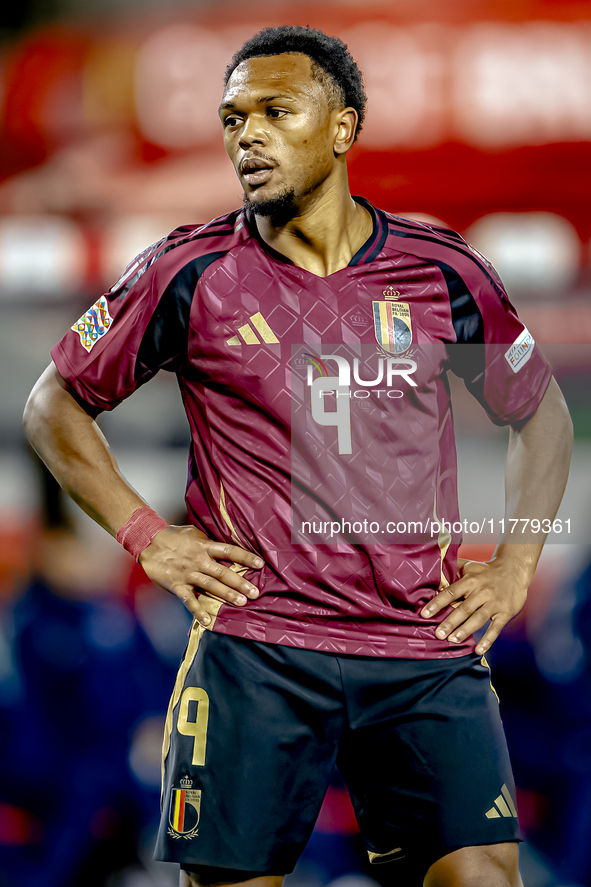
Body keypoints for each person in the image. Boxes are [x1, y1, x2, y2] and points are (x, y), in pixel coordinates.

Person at [24, 25, 573, 887]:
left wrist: (513, 564)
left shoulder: (440, 270)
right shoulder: (187, 272)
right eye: (232, 116)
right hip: (257, 648)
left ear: (344, 128)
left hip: (420, 651)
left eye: (276, 111)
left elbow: (540, 414)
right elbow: (53, 402)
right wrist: (147, 536)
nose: (248, 134)